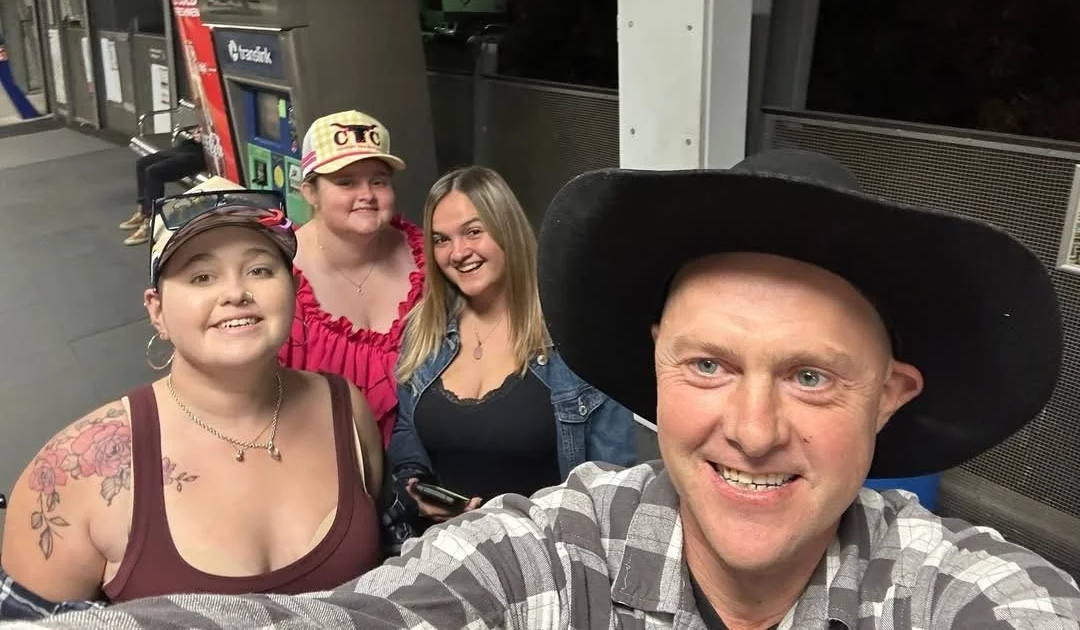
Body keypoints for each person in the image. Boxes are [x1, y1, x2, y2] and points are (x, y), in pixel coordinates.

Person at [10, 149, 1080, 629]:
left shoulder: (957, 595)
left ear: (891, 395)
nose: (752, 430)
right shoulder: (561, 548)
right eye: (708, 364)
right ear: (657, 364)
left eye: (809, 376)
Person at [0, 176, 384, 618]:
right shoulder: (73, 472)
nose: (236, 293)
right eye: (201, 276)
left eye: (260, 270)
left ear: (294, 291)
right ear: (157, 311)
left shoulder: (345, 408)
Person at [388, 166, 636, 529]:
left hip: (551, 553)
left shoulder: (577, 337)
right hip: (446, 549)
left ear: (507, 229)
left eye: (473, 232)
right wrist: (418, 488)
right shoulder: (425, 331)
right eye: (441, 240)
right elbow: (406, 432)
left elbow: (614, 483)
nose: (458, 252)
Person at [278, 111, 425, 448]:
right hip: (318, 462)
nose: (367, 194)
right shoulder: (277, 276)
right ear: (310, 192)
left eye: (379, 181)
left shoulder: (430, 258)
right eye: (346, 182)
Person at [117, 129, 206, 246]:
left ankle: (151, 223)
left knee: (154, 172)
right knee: (142, 163)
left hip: (208, 152)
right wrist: (198, 131)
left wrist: (206, 137)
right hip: (194, 145)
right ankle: (143, 211)